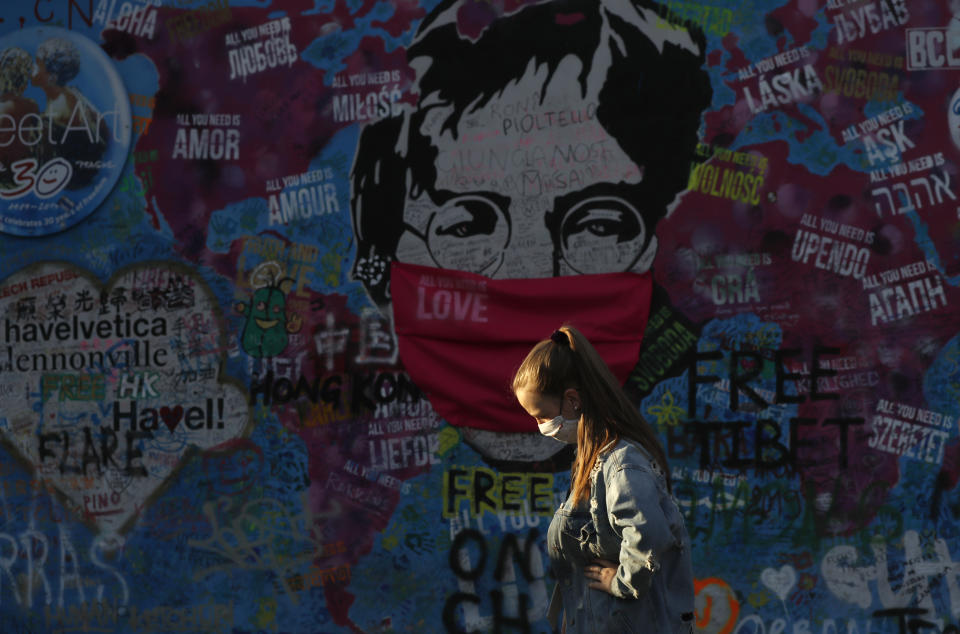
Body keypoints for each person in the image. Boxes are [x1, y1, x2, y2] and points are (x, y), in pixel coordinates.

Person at [512, 325, 695, 633]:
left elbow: (647, 537)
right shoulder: (594, 460)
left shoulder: (622, 464)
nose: (540, 426)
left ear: (572, 400)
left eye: (541, 416)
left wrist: (622, 581)